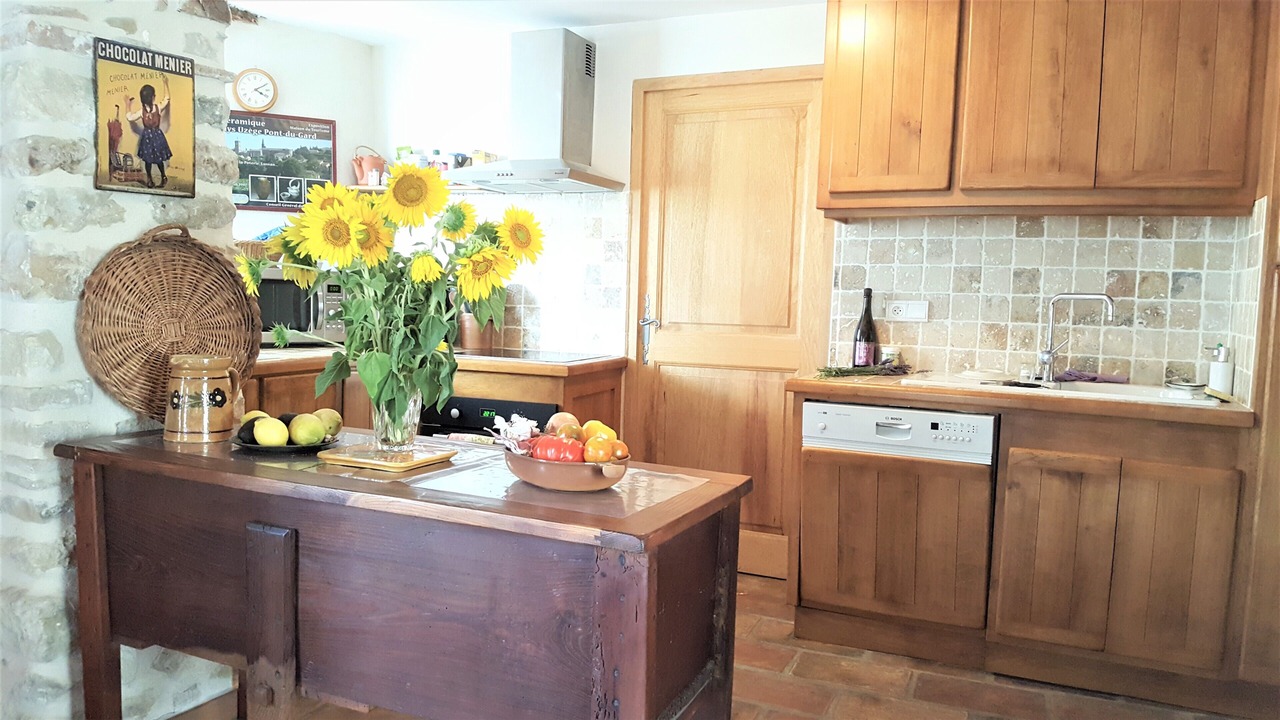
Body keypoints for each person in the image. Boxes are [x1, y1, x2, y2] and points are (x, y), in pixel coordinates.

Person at [126, 75, 172, 188]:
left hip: (152, 137)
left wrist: (127, 106)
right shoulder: (156, 108)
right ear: (153, 97)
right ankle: (152, 178)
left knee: (153, 160)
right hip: (153, 137)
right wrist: (165, 83)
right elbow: (167, 98)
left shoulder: (151, 109)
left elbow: (130, 117)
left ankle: (160, 177)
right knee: (150, 160)